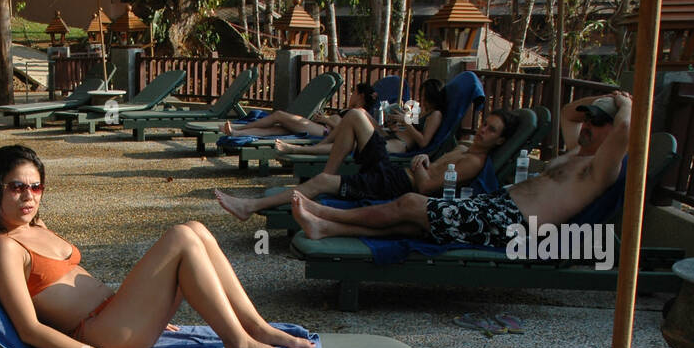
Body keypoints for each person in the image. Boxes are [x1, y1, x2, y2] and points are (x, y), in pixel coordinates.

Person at [0, 145, 312, 348]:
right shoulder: (4, 248)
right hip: (101, 336)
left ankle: (257, 328)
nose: (29, 196)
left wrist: (145, 308)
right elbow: (29, 330)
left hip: (120, 317)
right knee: (181, 237)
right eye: (17, 187)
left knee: (194, 228)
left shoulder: (35, 225)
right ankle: (239, 344)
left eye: (36, 187)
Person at [290, 90, 633, 249]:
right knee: (415, 227)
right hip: (497, 206)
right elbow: (569, 113)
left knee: (410, 204)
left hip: (512, 225)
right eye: (590, 118)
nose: (587, 123)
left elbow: (626, 130)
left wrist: (626, 106)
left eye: (599, 122)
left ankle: (324, 214)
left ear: (612, 131)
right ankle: (325, 230)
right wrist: (603, 100)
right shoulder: (575, 152)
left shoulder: (600, 170)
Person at [215, 108, 518, 223]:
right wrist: (424, 158)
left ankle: (250, 207)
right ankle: (328, 172)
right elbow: (429, 162)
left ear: (501, 141)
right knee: (356, 115)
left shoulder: (474, 162)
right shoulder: (465, 146)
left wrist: (422, 164)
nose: (482, 130)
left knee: (319, 186)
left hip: (397, 184)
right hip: (395, 171)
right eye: (484, 124)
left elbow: (427, 186)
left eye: (491, 130)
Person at [272, 77, 446, 162]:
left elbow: (423, 142)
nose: (420, 98)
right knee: (360, 112)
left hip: (397, 146)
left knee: (350, 140)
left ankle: (300, 150)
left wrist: (406, 123)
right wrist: (397, 124)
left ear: (430, 95)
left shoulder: (435, 114)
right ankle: (313, 147)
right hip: (391, 137)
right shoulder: (423, 112)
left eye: (423, 95)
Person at [220, 82, 378, 140]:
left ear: (360, 96)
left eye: (353, 93)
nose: (350, 96)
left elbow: (345, 130)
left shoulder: (360, 113)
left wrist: (325, 120)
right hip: (321, 128)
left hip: (323, 131)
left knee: (279, 115)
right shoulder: (354, 111)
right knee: (273, 130)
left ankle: (238, 128)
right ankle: (235, 133)